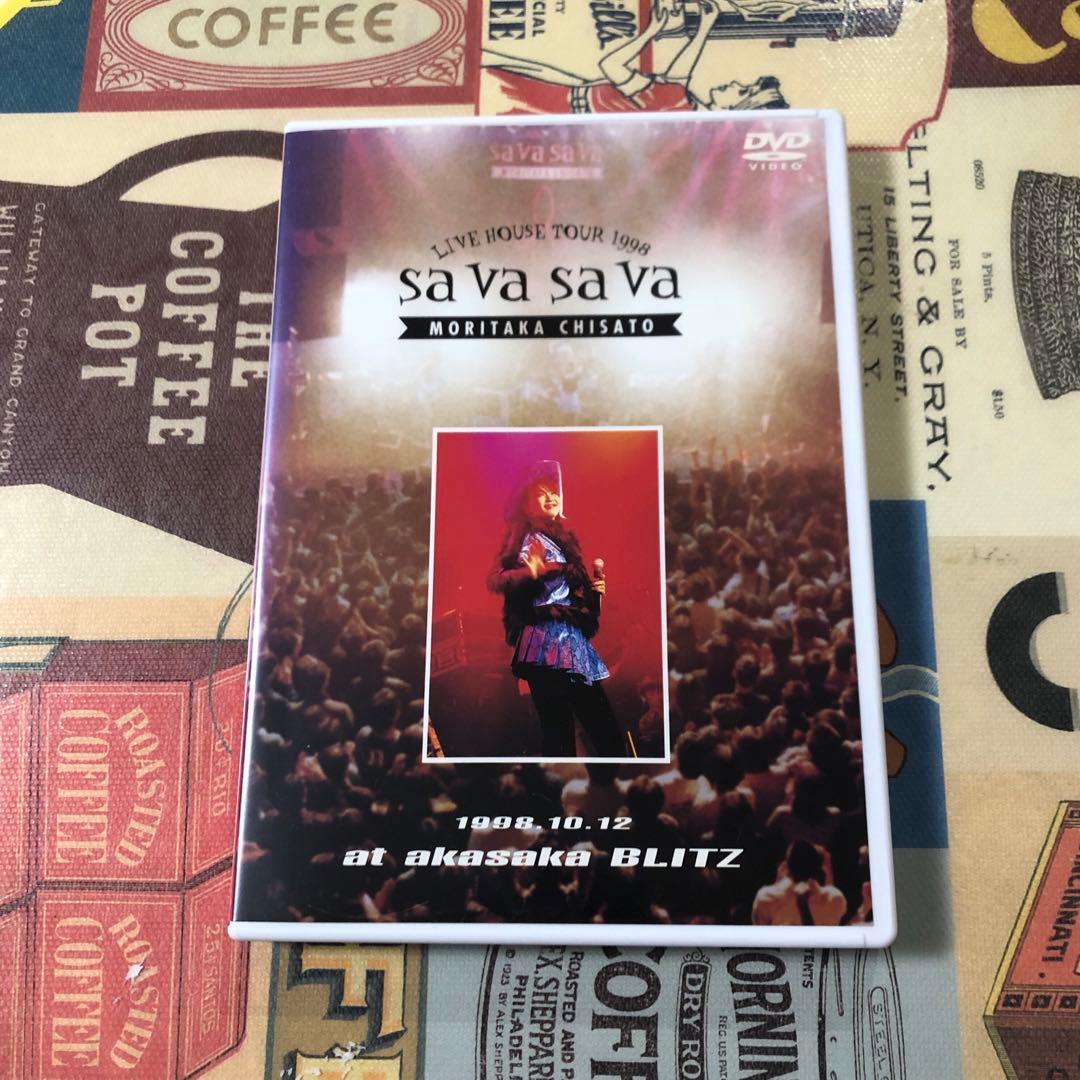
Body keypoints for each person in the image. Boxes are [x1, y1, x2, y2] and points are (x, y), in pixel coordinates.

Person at [487, 460, 626, 758]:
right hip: (546, 640)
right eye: (541, 493)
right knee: (565, 734)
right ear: (527, 506)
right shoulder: (527, 538)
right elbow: (497, 578)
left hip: (570, 639)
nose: (551, 497)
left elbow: (572, 597)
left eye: (554, 491)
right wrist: (531, 571)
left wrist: (593, 594)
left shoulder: (561, 540)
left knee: (595, 732)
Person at [484, 2, 787, 115]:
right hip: (570, 96)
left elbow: (611, 66)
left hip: (550, 101)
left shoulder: (679, 102)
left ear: (737, 107)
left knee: (488, 73)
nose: (735, 83)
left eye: (743, 90)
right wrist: (704, 28)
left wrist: (651, 30)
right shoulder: (687, 108)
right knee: (487, 58)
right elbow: (677, 77)